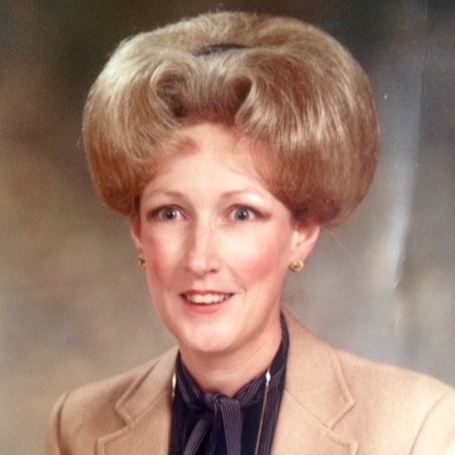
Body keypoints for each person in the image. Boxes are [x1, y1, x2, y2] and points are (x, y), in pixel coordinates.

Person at [45, 11, 455, 455]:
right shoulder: (77, 427)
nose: (200, 259)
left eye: (241, 214)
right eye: (170, 213)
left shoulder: (417, 425)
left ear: (302, 232)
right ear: (138, 231)